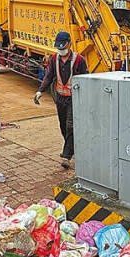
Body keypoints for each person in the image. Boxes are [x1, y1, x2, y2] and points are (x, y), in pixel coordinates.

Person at [33, 31, 88, 169]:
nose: (61, 51)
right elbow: (49, 76)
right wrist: (40, 90)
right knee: (63, 126)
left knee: (71, 125)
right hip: (60, 98)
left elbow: (85, 80)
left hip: (73, 98)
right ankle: (72, 149)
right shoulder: (54, 59)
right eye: (59, 48)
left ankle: (66, 156)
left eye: (63, 48)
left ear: (69, 44)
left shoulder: (79, 60)